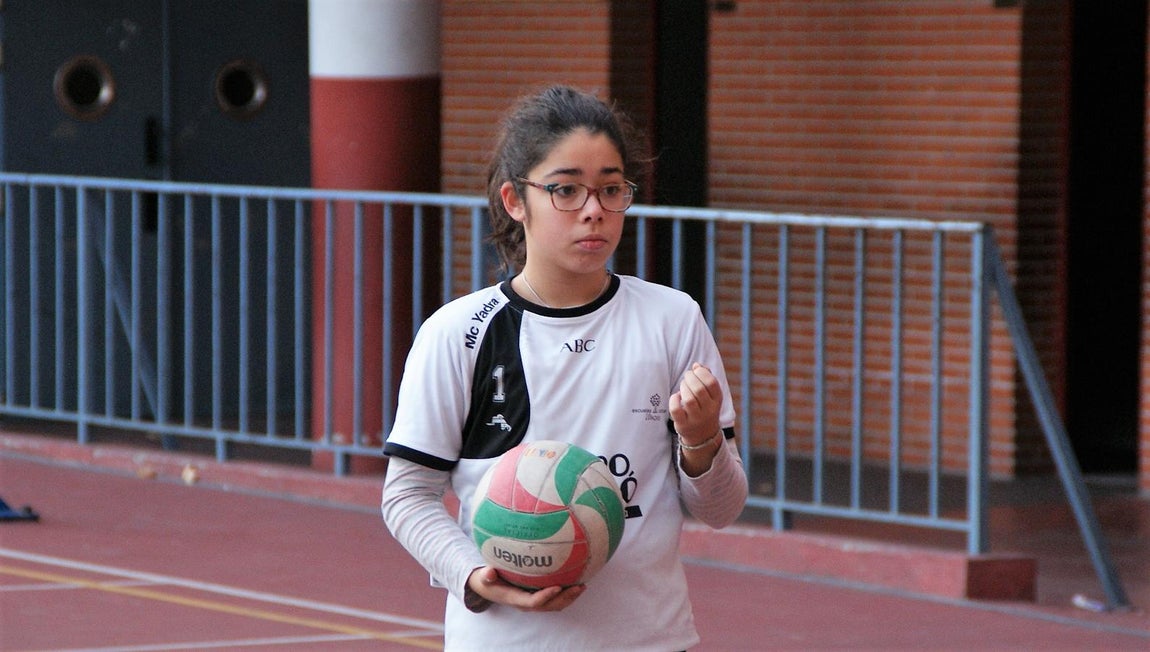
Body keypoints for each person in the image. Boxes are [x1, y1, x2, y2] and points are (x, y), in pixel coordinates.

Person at [381, 84, 748, 651]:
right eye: (566, 189)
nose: (594, 209)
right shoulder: (459, 334)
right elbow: (407, 496)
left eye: (610, 188)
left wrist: (701, 445)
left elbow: (722, 509)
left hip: (647, 638)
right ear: (514, 200)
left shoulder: (674, 319)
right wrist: (477, 579)